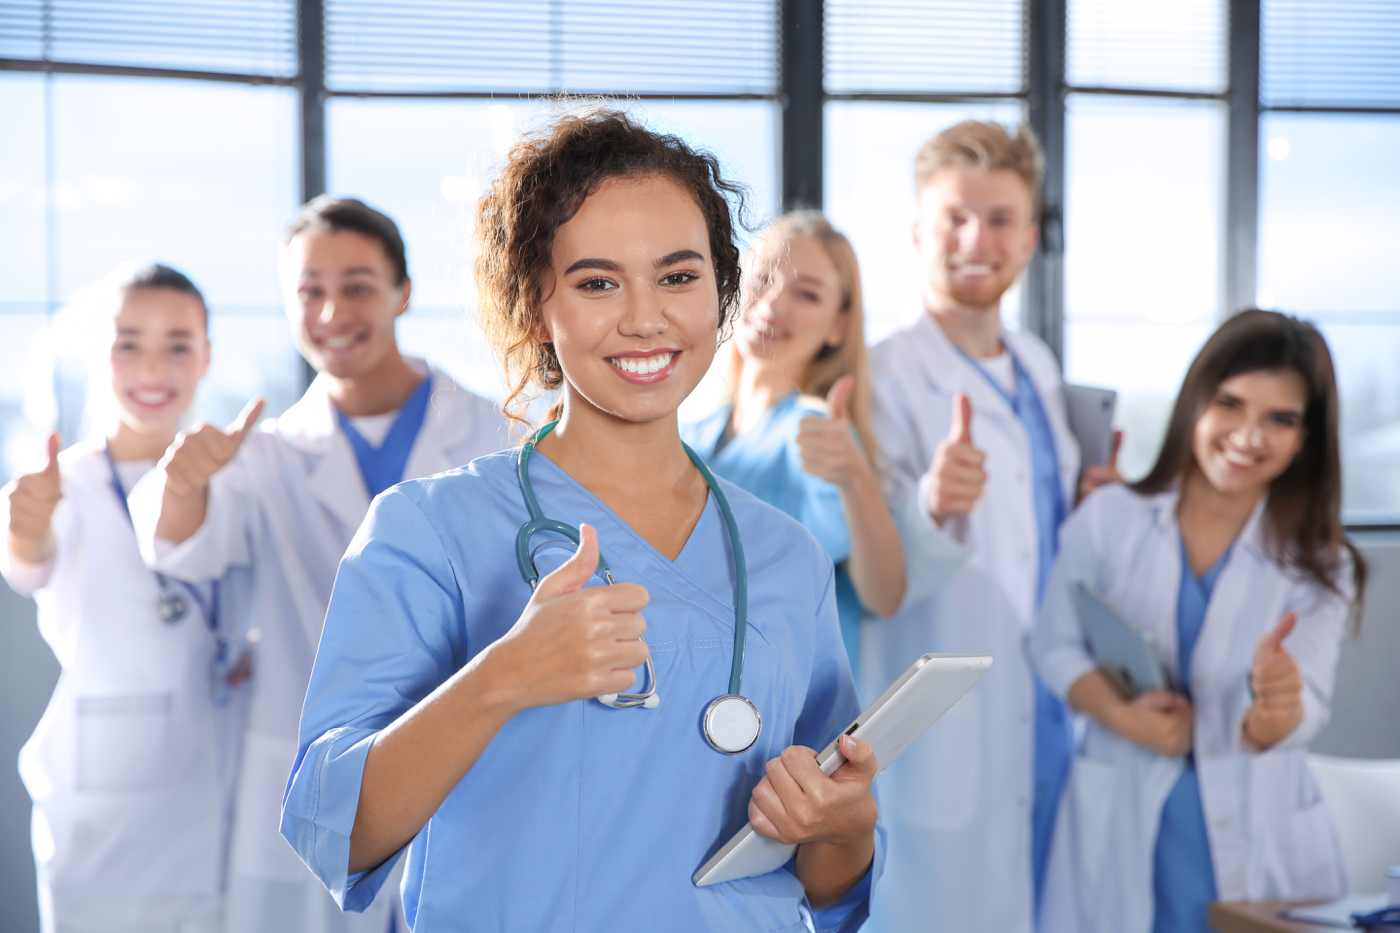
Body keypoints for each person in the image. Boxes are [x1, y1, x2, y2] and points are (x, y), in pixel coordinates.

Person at [280, 108, 883, 931]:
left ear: (723, 292)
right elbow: (335, 832)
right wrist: (504, 678)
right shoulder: (431, 531)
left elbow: (824, 880)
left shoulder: (786, 557)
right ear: (536, 305)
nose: (646, 318)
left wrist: (847, 825)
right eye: (598, 282)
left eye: (679, 276)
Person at [129, 198, 509, 933]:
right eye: (309, 291)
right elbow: (183, 548)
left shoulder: (496, 432)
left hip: (467, 768)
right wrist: (182, 486)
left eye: (359, 285)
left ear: (403, 292)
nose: (332, 310)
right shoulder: (263, 453)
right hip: (321, 787)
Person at [1032, 310, 1365, 933]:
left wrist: (1275, 709)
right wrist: (1124, 716)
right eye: (1230, 403)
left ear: (1307, 438)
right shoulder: (1109, 518)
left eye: (1280, 419)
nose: (1248, 434)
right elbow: (1053, 647)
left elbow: (1306, 707)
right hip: (1126, 819)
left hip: (1256, 832)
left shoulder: (1321, 563)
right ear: (1195, 402)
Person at [863, 120, 1117, 933]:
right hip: (948, 726)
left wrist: (1091, 507)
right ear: (916, 232)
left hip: (1047, 702)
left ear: (1031, 236)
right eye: (954, 217)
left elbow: (1037, 537)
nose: (977, 238)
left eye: (1001, 219)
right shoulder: (881, 376)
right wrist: (934, 506)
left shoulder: (1038, 365)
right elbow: (872, 573)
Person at [2, 264, 247, 933]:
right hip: (105, 826)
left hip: (219, 798)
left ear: (206, 357)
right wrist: (24, 525)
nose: (153, 367)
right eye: (128, 343)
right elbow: (29, 562)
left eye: (178, 344)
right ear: (97, 356)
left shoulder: (232, 477)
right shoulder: (61, 483)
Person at [682, 212, 908, 672]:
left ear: (838, 326)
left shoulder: (816, 436)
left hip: (797, 719)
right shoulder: (692, 436)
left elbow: (884, 596)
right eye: (763, 278)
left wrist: (855, 480)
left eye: (807, 294)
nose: (774, 302)